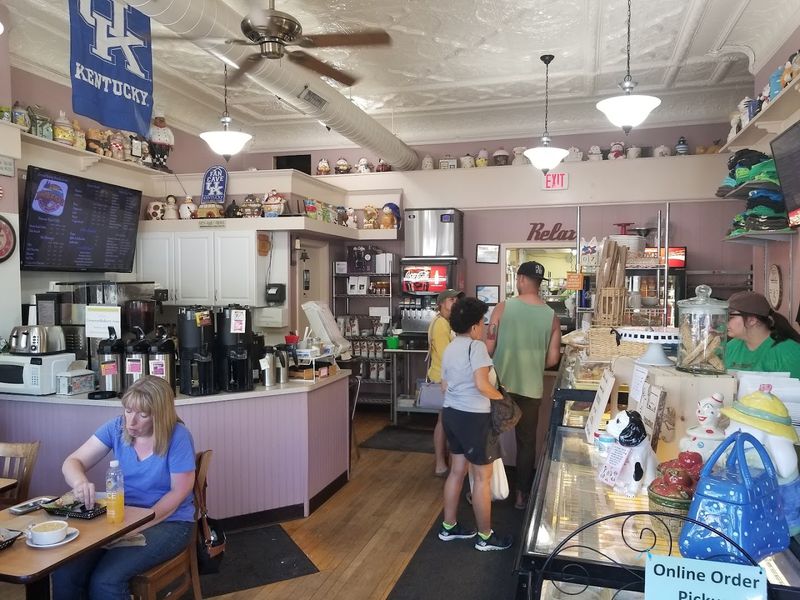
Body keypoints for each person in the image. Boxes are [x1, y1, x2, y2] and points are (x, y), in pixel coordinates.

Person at [53, 376, 196, 600]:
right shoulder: (116, 427)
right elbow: (72, 462)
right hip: (122, 518)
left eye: (143, 415)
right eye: (128, 411)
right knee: (65, 572)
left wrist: (131, 529)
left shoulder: (178, 437)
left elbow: (178, 493)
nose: (131, 422)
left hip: (170, 522)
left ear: (160, 414)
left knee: (105, 581)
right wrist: (79, 482)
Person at [486, 261, 561, 510]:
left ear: (520, 279)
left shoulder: (502, 308)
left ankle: (484, 491)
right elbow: (553, 359)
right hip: (531, 388)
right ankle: (521, 495)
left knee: (488, 437)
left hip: (500, 387)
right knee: (527, 443)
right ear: (539, 283)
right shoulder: (552, 317)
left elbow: (489, 347)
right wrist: (533, 362)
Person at [438, 296, 512, 551]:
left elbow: (444, 385)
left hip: (452, 414)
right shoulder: (476, 347)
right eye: (482, 322)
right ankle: (485, 536)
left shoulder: (451, 348)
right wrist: (502, 398)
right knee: (482, 478)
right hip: (474, 419)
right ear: (473, 326)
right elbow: (482, 385)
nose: (483, 326)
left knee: (456, 471)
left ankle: (448, 527)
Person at [428, 288, 464, 477]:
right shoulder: (441, 324)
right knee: (443, 422)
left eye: (456, 300)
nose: (455, 303)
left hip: (445, 378)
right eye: (451, 300)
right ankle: (440, 463)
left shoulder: (445, 322)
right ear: (441, 303)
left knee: (443, 421)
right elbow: (445, 356)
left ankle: (444, 461)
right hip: (442, 380)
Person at [725, 291, 800, 378]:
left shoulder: (789, 353)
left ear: (752, 320)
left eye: (730, 317)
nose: (724, 321)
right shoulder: (730, 347)